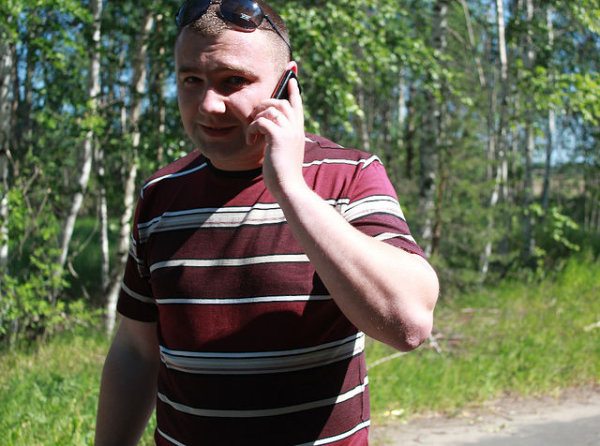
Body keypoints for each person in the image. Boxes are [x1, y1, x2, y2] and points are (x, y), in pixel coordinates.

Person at [94, 0, 439, 445]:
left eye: (233, 81)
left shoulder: (348, 177)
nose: (209, 105)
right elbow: (136, 351)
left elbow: (409, 323)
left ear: (286, 83)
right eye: (191, 80)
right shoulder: (160, 195)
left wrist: (291, 189)